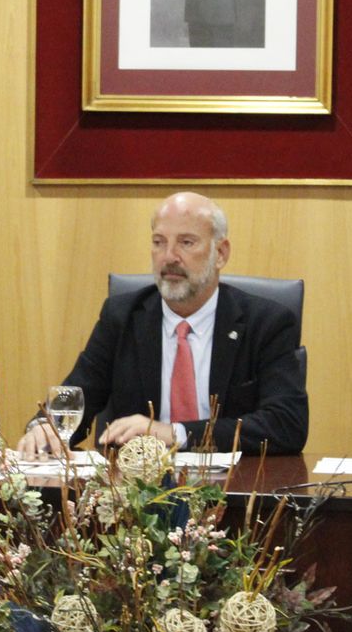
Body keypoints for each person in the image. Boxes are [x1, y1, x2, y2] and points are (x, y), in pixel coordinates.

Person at [16, 192, 306, 458]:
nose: (169, 257)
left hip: (234, 495)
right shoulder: (123, 317)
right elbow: (76, 398)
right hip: (134, 497)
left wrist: (174, 433)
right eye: (159, 242)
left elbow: (286, 424)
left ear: (221, 253)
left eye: (186, 242)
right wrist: (46, 428)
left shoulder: (265, 323)